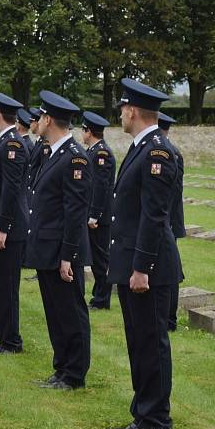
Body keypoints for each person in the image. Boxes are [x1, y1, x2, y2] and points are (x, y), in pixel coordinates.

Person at [105, 78, 179, 429]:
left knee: (151, 342)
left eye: (122, 108)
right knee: (139, 341)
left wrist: (141, 268)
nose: (119, 114)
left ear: (132, 110)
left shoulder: (157, 152)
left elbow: (154, 215)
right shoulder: (141, 147)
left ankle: (155, 419)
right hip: (133, 262)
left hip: (148, 267)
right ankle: (143, 413)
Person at [26, 90, 92, 390]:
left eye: (39, 117)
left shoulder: (75, 158)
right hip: (46, 247)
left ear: (49, 119)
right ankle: (61, 367)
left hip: (63, 250)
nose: (35, 122)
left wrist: (69, 255)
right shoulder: (52, 153)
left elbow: (75, 212)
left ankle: (75, 373)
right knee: (54, 311)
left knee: (70, 312)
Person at [0, 90, 29, 354]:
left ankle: (11, 341)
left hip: (8, 229)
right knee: (0, 283)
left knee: (7, 286)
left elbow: (11, 190)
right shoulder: (3, 141)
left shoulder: (12, 144)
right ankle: (4, 336)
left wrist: (2, 227)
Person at [81, 111, 115, 310]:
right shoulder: (93, 151)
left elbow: (101, 187)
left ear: (89, 131)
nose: (82, 134)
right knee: (96, 258)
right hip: (94, 214)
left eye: (83, 130)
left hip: (99, 217)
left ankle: (102, 300)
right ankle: (98, 295)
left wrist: (94, 215)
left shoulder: (101, 153)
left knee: (101, 260)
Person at [158, 112, 185, 332]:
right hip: (167, 218)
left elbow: (172, 193)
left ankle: (170, 318)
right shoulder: (168, 149)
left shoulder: (169, 153)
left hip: (167, 219)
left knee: (169, 270)